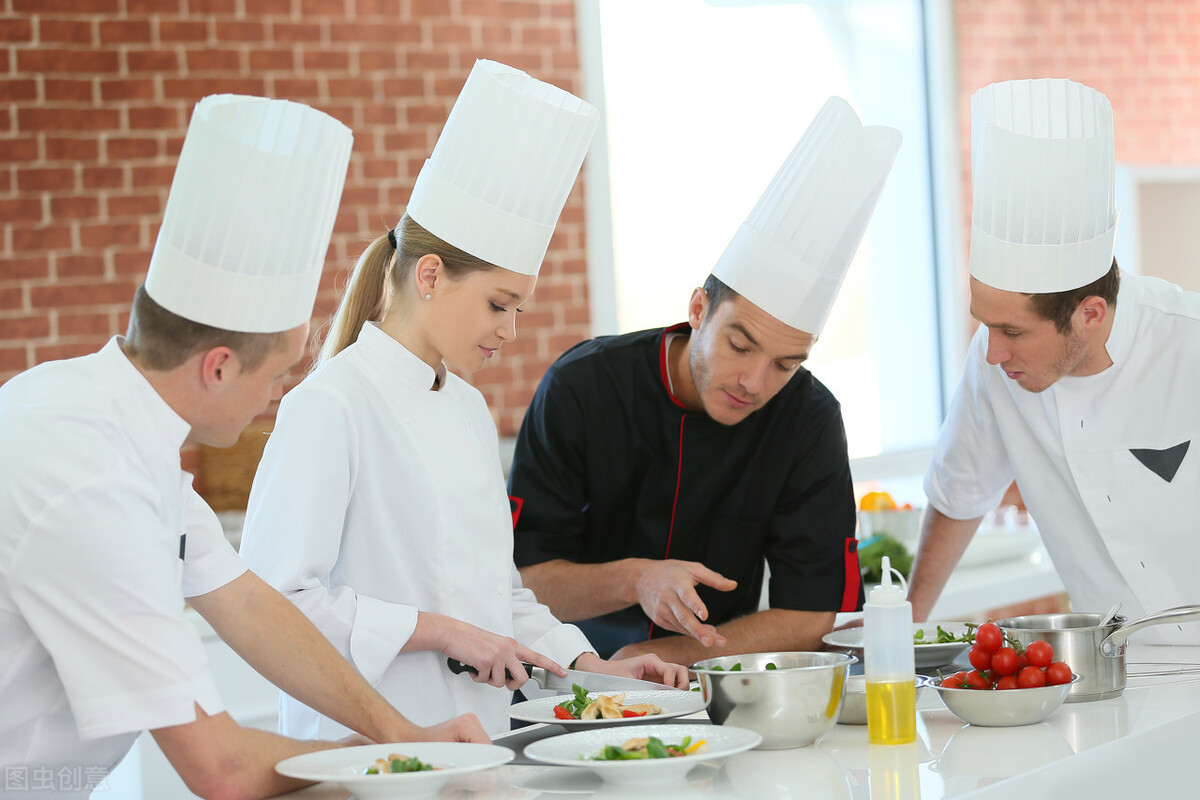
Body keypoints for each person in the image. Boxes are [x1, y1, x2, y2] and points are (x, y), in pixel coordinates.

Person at [0, 95, 486, 800]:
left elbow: (250, 606)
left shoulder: (104, 415)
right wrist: (380, 764)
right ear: (219, 365)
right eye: (277, 372)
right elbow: (221, 769)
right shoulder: (94, 480)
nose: (278, 396)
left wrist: (399, 735)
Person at [239, 60, 688, 739]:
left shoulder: (468, 412)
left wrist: (593, 667)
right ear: (429, 276)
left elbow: (499, 597)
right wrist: (437, 632)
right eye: (499, 304)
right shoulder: (332, 406)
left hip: (477, 750)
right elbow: (274, 606)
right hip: (362, 759)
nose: (510, 331)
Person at [509, 97, 902, 664]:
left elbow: (818, 612)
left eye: (786, 364)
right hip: (572, 681)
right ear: (698, 308)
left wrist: (674, 658)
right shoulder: (583, 388)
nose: (755, 382)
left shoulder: (808, 418)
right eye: (741, 345)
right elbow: (521, 583)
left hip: (719, 684)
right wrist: (634, 580)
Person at [907, 78, 1200, 643]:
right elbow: (959, 492)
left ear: (1090, 313)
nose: (993, 352)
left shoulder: (1188, 343)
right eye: (984, 325)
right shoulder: (993, 365)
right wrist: (901, 631)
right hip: (1117, 681)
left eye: (1013, 331)